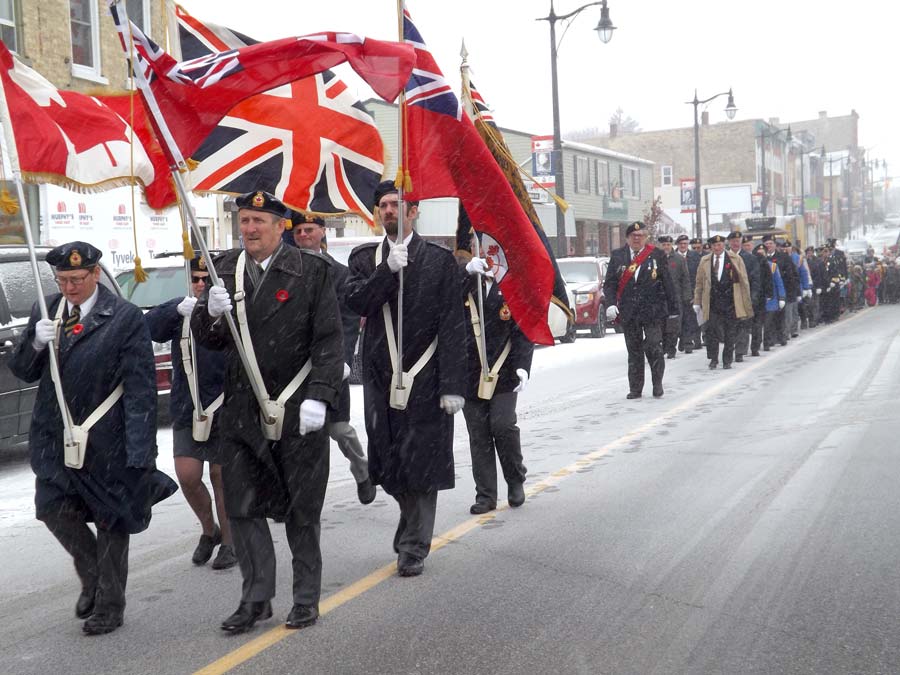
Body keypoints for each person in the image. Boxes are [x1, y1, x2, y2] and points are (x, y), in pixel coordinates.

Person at [192, 191, 344, 634]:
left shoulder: (312, 271)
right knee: (242, 510)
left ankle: (304, 598)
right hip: (243, 410)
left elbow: (329, 339)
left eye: (259, 220)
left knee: (301, 510)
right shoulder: (226, 269)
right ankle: (256, 598)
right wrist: (210, 314)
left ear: (282, 226)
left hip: (296, 409)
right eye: (245, 220)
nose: (250, 228)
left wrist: (321, 394)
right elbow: (211, 340)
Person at [9, 241, 177, 635]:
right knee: (52, 509)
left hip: (107, 436)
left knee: (110, 519)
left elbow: (140, 387)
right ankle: (92, 572)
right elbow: (24, 370)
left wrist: (141, 449)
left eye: (76, 279)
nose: (68, 288)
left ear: (96, 274)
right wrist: (35, 340)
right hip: (55, 434)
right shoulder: (47, 309)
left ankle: (110, 605)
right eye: (62, 280)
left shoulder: (123, 317)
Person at [345, 181, 467, 577]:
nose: (389, 211)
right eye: (383, 205)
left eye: (397, 205)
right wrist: (386, 271)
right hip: (381, 378)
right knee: (389, 463)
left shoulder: (438, 260)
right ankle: (409, 521)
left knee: (422, 462)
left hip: (426, 377)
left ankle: (414, 545)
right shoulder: (365, 258)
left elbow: (452, 324)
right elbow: (357, 301)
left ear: (414, 212)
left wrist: (453, 384)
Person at [145, 255, 237, 570]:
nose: (200, 285)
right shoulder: (179, 308)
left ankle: (229, 541)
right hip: (188, 405)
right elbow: (148, 329)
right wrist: (174, 310)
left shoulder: (227, 306)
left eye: (205, 279)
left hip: (224, 403)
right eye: (195, 279)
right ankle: (208, 529)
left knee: (221, 475)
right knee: (188, 475)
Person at [287, 211, 377, 505]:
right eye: (298, 230)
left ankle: (362, 470)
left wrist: (344, 357)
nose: (303, 235)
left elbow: (348, 318)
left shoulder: (338, 274)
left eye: (309, 229)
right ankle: (297, 495)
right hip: (296, 368)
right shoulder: (285, 271)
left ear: (322, 232)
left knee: (339, 430)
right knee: (294, 435)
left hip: (331, 363)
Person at [460, 237, 534, 515]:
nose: (485, 252)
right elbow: (441, 300)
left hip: (503, 372)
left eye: (490, 246)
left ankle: (515, 479)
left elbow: (523, 330)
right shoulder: (465, 282)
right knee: (478, 434)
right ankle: (486, 494)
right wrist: (466, 273)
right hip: (470, 372)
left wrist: (523, 366)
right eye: (478, 244)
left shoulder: (512, 285)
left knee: (502, 426)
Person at [602, 221, 678, 399]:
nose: (637, 239)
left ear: (646, 238)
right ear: (627, 238)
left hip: (652, 310)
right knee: (634, 351)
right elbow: (610, 284)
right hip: (629, 312)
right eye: (634, 236)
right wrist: (611, 304)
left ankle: (657, 383)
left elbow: (668, 282)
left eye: (641, 236)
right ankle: (635, 388)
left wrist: (673, 309)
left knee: (654, 347)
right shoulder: (618, 256)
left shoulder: (656, 254)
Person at [692, 234, 752, 370]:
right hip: (712, 303)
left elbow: (744, 281)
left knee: (730, 333)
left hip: (730, 302)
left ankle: (727, 360)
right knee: (711, 332)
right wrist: (697, 301)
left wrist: (745, 300)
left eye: (719, 245)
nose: (717, 247)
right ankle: (713, 359)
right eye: (714, 245)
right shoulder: (705, 261)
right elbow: (699, 283)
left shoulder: (735, 259)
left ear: (724, 245)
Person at [727, 231, 759, 363]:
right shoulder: (724, 256)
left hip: (743, 295)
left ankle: (740, 351)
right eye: (733, 241)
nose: (735, 243)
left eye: (738, 241)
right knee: (729, 325)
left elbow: (756, 279)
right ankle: (729, 348)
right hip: (727, 297)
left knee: (743, 324)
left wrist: (753, 296)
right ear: (729, 242)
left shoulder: (749, 258)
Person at [658, 235, 690, 359]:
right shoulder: (654, 258)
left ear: (671, 245)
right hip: (659, 298)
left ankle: (671, 348)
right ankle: (662, 346)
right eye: (663, 245)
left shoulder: (679, 259)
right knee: (660, 325)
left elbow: (685, 279)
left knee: (673, 326)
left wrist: (686, 297)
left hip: (675, 298)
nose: (666, 247)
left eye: (668, 245)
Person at [755, 243, 786, 350]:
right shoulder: (753, 266)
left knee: (768, 324)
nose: (761, 255)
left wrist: (782, 297)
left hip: (770, 300)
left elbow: (779, 283)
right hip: (758, 300)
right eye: (759, 253)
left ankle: (767, 342)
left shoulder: (772, 266)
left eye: (763, 253)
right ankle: (757, 343)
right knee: (758, 324)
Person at [675, 234, 702, 353]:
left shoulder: (695, 257)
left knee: (689, 319)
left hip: (691, 293)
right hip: (676, 294)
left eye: (685, 244)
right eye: (681, 244)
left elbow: (699, 275)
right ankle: (681, 339)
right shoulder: (672, 257)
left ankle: (688, 342)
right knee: (677, 319)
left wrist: (696, 294)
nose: (683, 246)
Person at [749, 243, 774, 356]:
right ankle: (748, 346)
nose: (761, 253)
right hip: (748, 295)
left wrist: (769, 294)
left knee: (757, 323)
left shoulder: (764, 262)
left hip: (760, 296)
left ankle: (755, 346)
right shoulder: (748, 260)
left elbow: (768, 278)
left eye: (762, 251)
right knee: (749, 323)